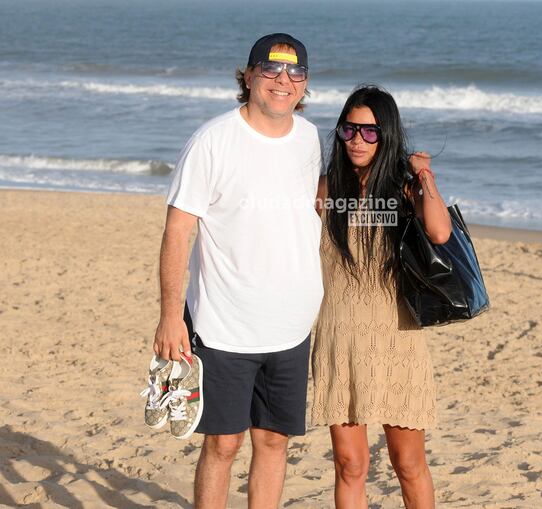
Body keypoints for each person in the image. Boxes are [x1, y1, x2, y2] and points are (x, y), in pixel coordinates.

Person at [154, 33, 324, 508]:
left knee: (273, 443)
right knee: (223, 445)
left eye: (294, 73)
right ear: (248, 76)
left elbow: (308, 211)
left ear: (305, 84)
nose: (282, 81)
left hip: (292, 329)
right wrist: (170, 316)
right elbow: (177, 232)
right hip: (223, 326)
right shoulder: (212, 140)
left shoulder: (310, 139)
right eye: (270, 70)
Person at [312, 85, 452, 509]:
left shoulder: (404, 193)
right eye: (350, 130)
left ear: (386, 136)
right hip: (339, 338)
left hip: (396, 338)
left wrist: (424, 176)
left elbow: (441, 232)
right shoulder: (324, 190)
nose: (358, 140)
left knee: (407, 463)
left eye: (370, 133)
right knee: (349, 464)